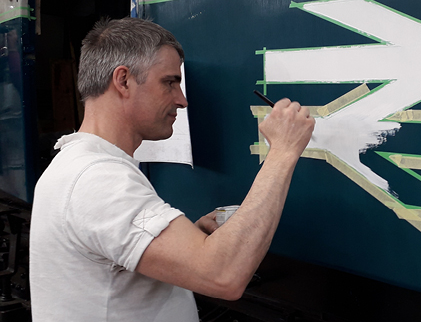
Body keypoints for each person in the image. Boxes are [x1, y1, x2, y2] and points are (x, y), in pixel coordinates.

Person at [28, 17, 315, 321]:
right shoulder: (97, 179)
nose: (182, 100)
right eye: (169, 82)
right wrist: (282, 152)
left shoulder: (79, 164)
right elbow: (223, 275)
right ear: (123, 80)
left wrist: (188, 239)